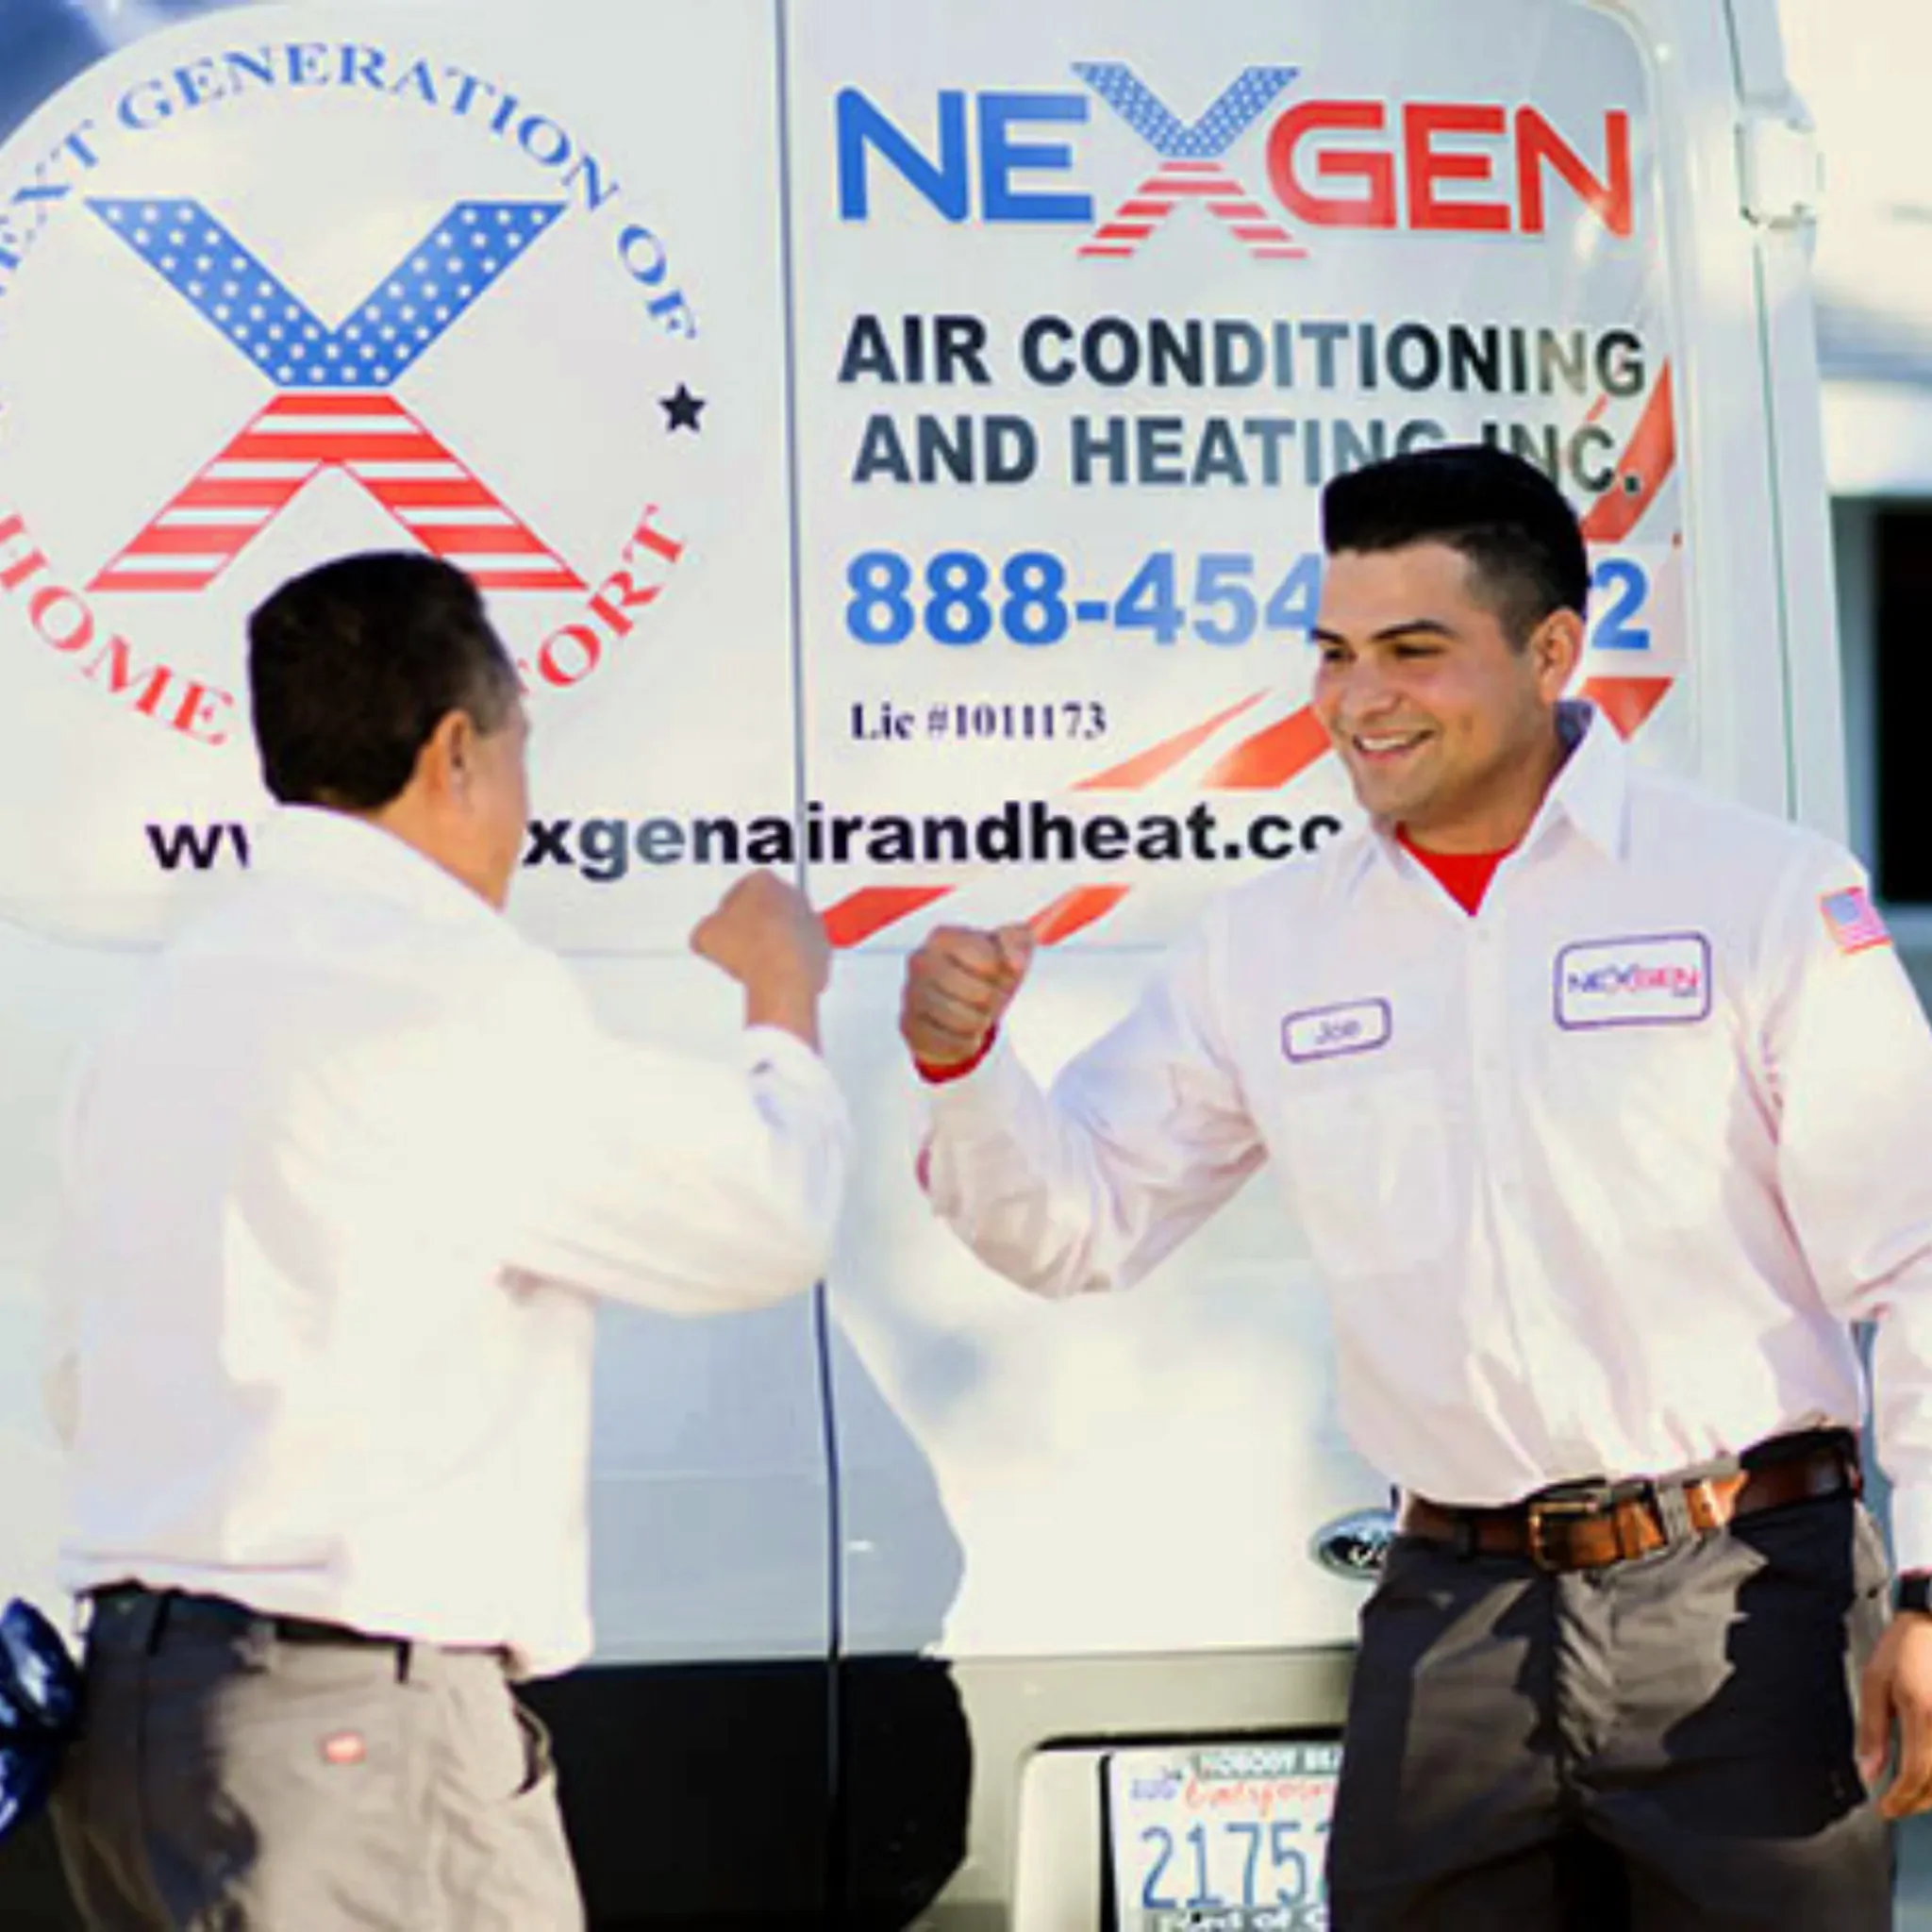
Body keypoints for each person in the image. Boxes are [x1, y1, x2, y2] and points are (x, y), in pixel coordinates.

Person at [899, 444, 1932, 1928]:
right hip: (1452, 1629)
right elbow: (1075, 1228)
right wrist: (964, 1068)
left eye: (1412, 650)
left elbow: (1917, 1254)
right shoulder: (1270, 945)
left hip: (1744, 1609)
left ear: (1552, 650)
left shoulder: (1756, 894)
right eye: (1334, 653)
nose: (1358, 698)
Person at [43, 552, 848, 1931]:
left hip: (137, 1725)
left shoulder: (160, 1007)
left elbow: (80, 1381)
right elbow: (770, 1216)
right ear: (455, 752)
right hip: (354, 1737)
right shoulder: (440, 995)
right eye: (523, 749)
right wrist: (783, 993)